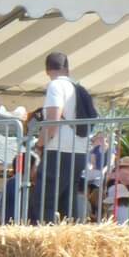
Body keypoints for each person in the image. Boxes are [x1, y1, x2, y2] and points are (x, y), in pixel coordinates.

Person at [32, 51, 88, 223]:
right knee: (68, 204)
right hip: (79, 151)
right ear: (67, 69)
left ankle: (43, 245)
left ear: (48, 70)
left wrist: (39, 146)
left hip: (58, 150)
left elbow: (52, 121)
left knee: (43, 202)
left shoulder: (55, 86)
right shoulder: (79, 88)